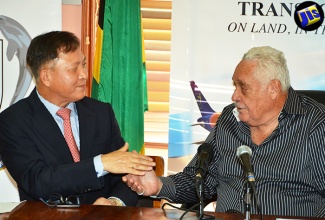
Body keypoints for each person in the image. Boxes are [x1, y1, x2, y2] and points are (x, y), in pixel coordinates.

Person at [123, 46, 325, 217]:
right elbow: (199, 180)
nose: (234, 95)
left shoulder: (316, 124)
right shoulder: (229, 119)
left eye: (242, 87)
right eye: (234, 85)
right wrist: (158, 185)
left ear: (273, 88)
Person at [0, 31, 155, 206]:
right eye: (74, 69)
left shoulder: (101, 112)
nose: (84, 74)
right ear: (46, 77)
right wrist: (100, 164)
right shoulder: (12, 121)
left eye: (84, 65)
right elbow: (38, 181)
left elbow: (126, 174)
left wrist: (114, 203)